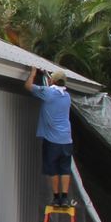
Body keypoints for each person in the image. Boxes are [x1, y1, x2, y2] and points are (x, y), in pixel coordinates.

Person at [24, 65, 74, 206]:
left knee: (53, 169)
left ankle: (56, 197)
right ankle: (65, 198)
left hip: (52, 140)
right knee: (65, 169)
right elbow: (53, 88)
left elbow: (28, 86)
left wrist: (33, 73)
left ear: (53, 81)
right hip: (67, 140)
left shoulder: (48, 93)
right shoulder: (67, 96)